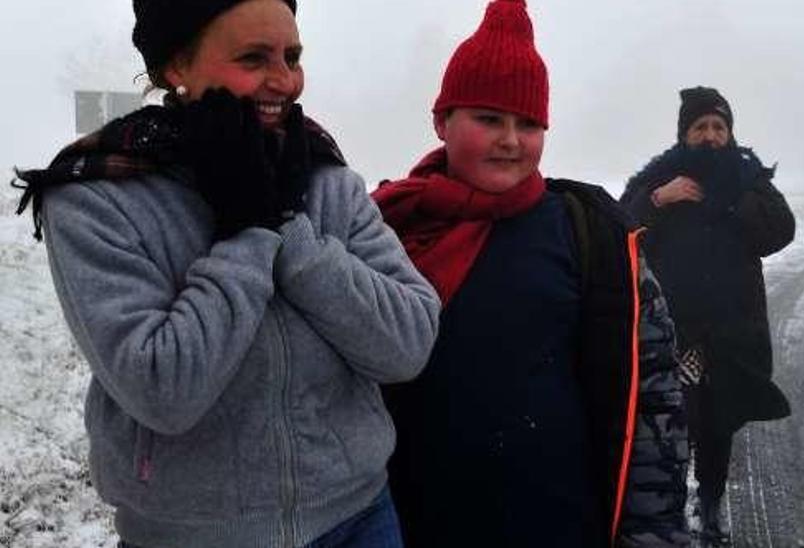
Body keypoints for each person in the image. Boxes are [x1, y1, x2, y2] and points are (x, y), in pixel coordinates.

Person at [11, 1, 441, 546]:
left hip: (357, 520)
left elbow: (408, 343)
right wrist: (247, 235)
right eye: (253, 57)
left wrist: (292, 230)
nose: (285, 81)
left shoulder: (323, 176)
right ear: (177, 66)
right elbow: (162, 388)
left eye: (292, 55)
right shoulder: (97, 198)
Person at [369, 1, 688, 546]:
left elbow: (653, 398)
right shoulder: (386, 229)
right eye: (489, 119)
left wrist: (654, 531)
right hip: (404, 524)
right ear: (442, 120)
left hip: (556, 526)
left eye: (529, 123)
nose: (511, 140)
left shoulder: (591, 237)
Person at [619, 86, 795, 546]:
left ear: (731, 133)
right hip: (674, 331)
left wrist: (731, 200)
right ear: (685, 134)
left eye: (720, 127)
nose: (711, 135)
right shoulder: (660, 178)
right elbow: (621, 229)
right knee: (672, 421)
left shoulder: (747, 177)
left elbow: (781, 229)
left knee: (719, 422)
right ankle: (671, 505)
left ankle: (712, 501)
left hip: (730, 329)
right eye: (701, 127)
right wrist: (660, 200)